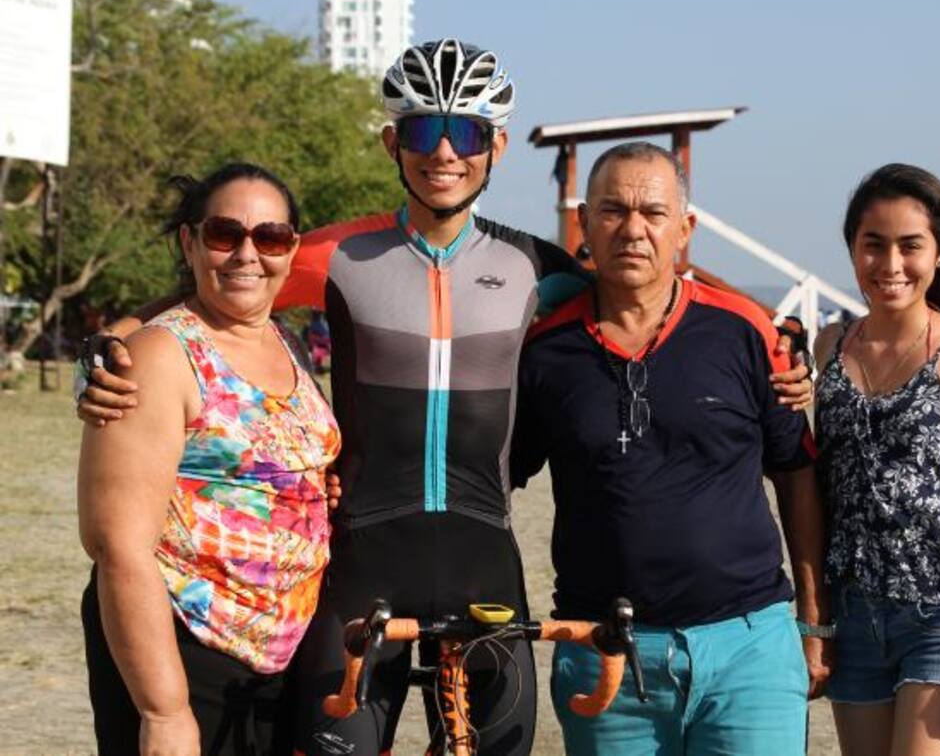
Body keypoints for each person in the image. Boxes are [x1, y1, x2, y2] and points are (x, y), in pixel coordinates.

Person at [75, 39, 818, 754]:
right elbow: (225, 274)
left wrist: (774, 327)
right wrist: (111, 340)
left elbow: (649, 275)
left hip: (481, 554)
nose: (443, 152)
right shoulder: (338, 255)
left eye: (464, 130)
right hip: (364, 557)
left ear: (494, 147)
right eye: (424, 129)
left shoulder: (536, 266)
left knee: (507, 740)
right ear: (391, 143)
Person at [510, 142, 829, 755]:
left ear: (684, 230)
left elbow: (796, 472)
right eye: (612, 211)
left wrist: (813, 621)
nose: (633, 229)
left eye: (653, 213)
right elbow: (492, 477)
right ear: (585, 223)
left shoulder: (744, 332)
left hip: (748, 649)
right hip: (603, 652)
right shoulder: (544, 353)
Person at [77, 163, 341, 755]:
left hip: (279, 658)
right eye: (226, 234)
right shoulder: (157, 356)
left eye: (270, 237)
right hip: (186, 647)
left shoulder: (285, 341)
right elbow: (116, 543)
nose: (248, 254)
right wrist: (163, 712)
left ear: (291, 248)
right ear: (189, 242)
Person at [812, 163, 940, 755]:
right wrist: (819, 623)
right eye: (873, 245)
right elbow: (820, 486)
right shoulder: (829, 346)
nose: (890, 264)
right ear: (852, 248)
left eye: (910, 246)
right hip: (851, 621)